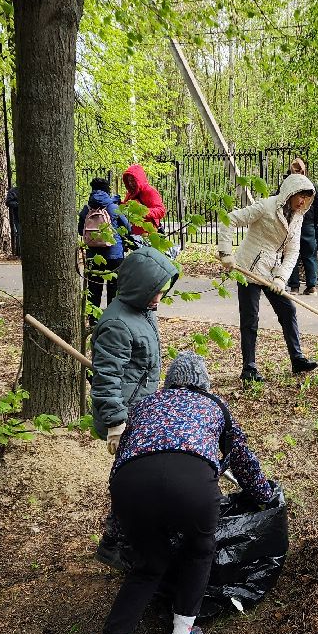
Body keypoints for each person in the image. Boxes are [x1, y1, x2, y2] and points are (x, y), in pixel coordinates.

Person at [84, 351, 277, 634]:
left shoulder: (143, 406)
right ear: (204, 383)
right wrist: (264, 494)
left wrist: (119, 525)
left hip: (131, 485)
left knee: (147, 566)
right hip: (191, 484)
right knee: (199, 550)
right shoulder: (214, 405)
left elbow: (123, 455)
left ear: (169, 382)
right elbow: (242, 459)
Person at [218, 171, 318, 383]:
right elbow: (229, 220)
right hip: (248, 268)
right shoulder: (266, 206)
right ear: (290, 192)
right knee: (250, 318)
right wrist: (226, 253)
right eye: (300, 196)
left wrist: (281, 278)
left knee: (288, 310)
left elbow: (292, 251)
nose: (302, 202)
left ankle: (297, 359)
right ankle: (249, 368)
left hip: (272, 272)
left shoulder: (298, 217)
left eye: (306, 198)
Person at [90, 245, 179, 451]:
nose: (159, 298)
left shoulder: (143, 310)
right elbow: (106, 378)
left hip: (139, 409)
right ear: (140, 287)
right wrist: (115, 423)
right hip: (124, 415)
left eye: (162, 292)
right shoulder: (117, 325)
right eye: (155, 292)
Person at [78, 176, 131, 313]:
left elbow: (80, 231)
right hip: (115, 256)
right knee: (114, 290)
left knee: (94, 291)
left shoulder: (86, 209)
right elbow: (127, 228)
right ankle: (112, 318)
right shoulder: (113, 207)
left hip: (93, 256)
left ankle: (93, 320)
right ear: (107, 191)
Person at [284, 159, 318, 296]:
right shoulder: (312, 186)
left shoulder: (287, 184)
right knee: (310, 254)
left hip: (292, 222)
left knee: (291, 253)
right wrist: (316, 221)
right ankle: (311, 286)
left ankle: (294, 286)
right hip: (308, 224)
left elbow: (280, 201)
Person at [121, 164, 167, 237]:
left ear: (139, 179)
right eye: (129, 181)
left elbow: (161, 211)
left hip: (147, 233)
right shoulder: (130, 193)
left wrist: (143, 211)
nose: (130, 183)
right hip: (133, 233)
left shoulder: (150, 192)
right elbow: (126, 208)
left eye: (133, 180)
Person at [5, 185, 21, 257]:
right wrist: (18, 205)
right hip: (18, 216)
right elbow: (8, 202)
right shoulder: (13, 190)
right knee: (20, 233)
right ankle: (20, 253)